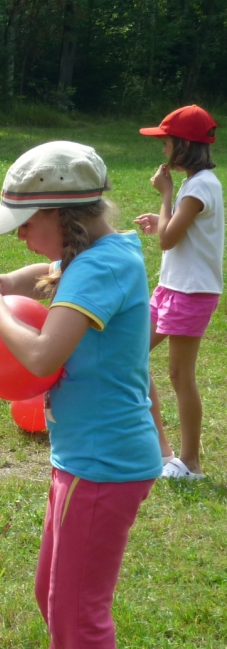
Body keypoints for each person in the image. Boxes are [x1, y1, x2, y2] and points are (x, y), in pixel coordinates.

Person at [0, 142, 161, 649]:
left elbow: (43, 355)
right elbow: (52, 271)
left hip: (103, 466)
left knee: (79, 615)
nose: (20, 235)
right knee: (54, 595)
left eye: (27, 223)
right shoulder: (102, 252)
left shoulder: (99, 268)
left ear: (65, 217)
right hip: (83, 458)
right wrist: (12, 283)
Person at [134, 105, 222, 480]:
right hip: (171, 288)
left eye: (167, 143)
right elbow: (178, 231)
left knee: (180, 375)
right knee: (131, 353)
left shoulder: (200, 186)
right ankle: (160, 449)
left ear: (184, 145)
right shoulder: (195, 183)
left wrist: (165, 194)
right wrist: (162, 219)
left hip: (192, 292)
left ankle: (191, 463)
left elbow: (168, 241)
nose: (163, 150)